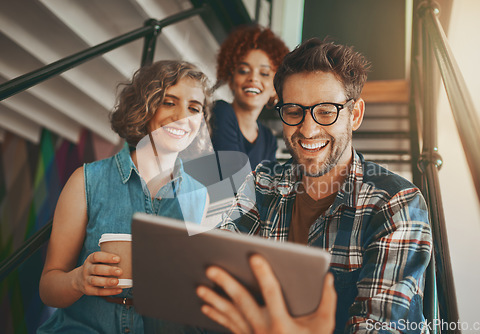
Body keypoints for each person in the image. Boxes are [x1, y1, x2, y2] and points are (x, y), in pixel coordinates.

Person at [196, 38, 432, 333]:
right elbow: (216, 272)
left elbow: (380, 327)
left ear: (355, 115)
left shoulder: (396, 203)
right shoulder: (262, 182)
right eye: (294, 111)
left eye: (326, 111)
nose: (307, 130)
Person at [38, 60, 213, 333]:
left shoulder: (200, 196)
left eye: (194, 108)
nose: (182, 116)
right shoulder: (87, 181)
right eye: (169, 102)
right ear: (144, 107)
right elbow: (49, 287)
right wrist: (77, 281)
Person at [211, 24, 289, 170]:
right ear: (231, 79)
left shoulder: (268, 139)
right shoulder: (220, 112)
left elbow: (269, 188)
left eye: (264, 73)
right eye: (243, 70)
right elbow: (234, 182)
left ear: (275, 88)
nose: (253, 78)